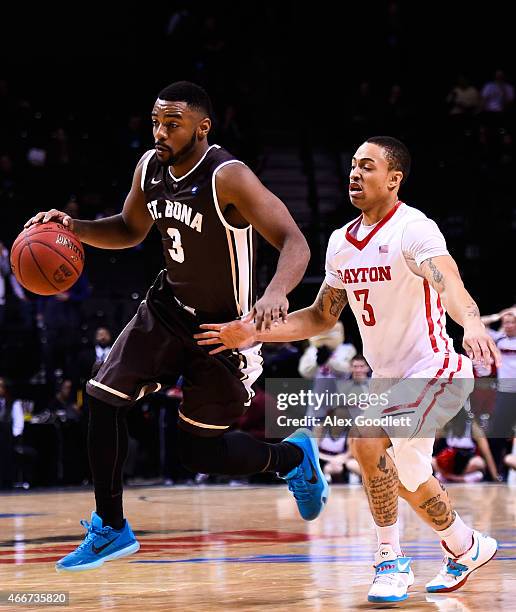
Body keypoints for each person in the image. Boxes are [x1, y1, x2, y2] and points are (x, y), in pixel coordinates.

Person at [25, 81, 328, 572]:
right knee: (101, 398)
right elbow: (129, 229)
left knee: (198, 453)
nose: (160, 132)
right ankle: (111, 526)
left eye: (172, 124)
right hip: (167, 310)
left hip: (224, 331)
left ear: (202, 127)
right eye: (155, 121)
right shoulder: (149, 166)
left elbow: (294, 241)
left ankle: (292, 459)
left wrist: (274, 295)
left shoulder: (228, 176)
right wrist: (73, 228)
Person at [196, 136, 501, 603]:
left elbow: (448, 282)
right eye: (352, 167)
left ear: (394, 179)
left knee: (364, 434)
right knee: (408, 481)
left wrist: (474, 323)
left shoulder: (414, 229)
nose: (354, 175)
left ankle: (389, 558)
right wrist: (254, 332)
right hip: (390, 382)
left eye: (367, 167)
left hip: (437, 367)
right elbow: (321, 316)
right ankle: (466, 545)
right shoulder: (341, 242)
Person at [480, 307, 516, 476]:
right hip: (504, 394)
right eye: (506, 322)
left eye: (512, 322)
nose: (508, 325)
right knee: (497, 435)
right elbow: (479, 324)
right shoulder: (499, 338)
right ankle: (495, 474)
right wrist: (498, 315)